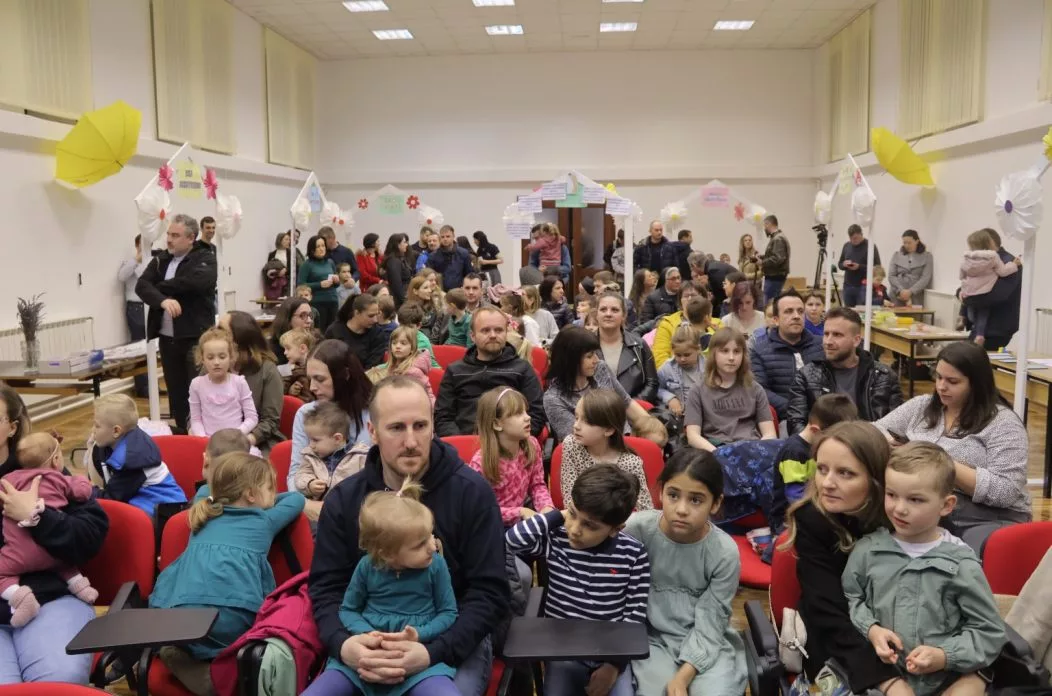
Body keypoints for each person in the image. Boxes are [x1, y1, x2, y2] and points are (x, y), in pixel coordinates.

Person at [310, 375, 509, 696]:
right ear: (373, 431)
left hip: (453, 640)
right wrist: (344, 644)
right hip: (365, 641)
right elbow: (327, 589)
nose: (412, 441)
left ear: (433, 426)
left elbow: (489, 594)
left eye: (420, 426)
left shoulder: (472, 493)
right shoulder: (344, 501)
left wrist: (432, 651)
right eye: (396, 428)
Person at [842, 442, 1005, 696]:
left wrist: (944, 655)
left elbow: (988, 631)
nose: (899, 508)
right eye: (892, 495)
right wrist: (872, 629)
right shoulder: (867, 551)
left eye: (915, 499)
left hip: (947, 680)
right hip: (882, 680)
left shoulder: (962, 565)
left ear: (947, 505)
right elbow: (852, 598)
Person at [150, 453, 305, 696]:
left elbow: (206, 490)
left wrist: (233, 491)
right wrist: (268, 501)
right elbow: (296, 499)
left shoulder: (203, 512)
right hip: (233, 617)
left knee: (188, 640)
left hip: (180, 614)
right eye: (270, 488)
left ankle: (188, 661)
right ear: (251, 494)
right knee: (247, 644)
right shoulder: (263, 520)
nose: (274, 494)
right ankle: (217, 678)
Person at [307, 475, 459, 696]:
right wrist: (367, 635)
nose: (432, 547)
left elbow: (448, 612)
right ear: (387, 554)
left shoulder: (436, 566)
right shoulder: (367, 567)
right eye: (419, 544)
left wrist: (419, 634)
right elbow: (349, 609)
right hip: (365, 656)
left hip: (418, 660)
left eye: (430, 536)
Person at [506, 465, 650, 696]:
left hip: (610, 653)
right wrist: (556, 516)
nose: (574, 530)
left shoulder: (633, 554)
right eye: (572, 514)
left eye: (589, 525)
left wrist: (614, 666)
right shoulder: (556, 538)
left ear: (615, 529)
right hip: (562, 652)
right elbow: (511, 541)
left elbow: (634, 615)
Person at [874, 341, 1031, 550]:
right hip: (927, 507)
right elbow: (874, 431)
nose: (941, 386)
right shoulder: (922, 406)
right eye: (938, 377)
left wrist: (935, 462)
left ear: (976, 383)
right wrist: (892, 445)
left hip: (986, 517)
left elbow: (1005, 490)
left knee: (961, 555)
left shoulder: (1003, 423)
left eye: (952, 381)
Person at [0, 385, 108, 685]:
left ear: (12, 427)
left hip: (51, 599)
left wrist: (37, 516)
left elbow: (89, 537)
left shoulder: (42, 470)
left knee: (58, 680)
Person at [782, 421, 901, 693]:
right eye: (822, 469)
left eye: (845, 473)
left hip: (897, 631)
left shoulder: (901, 516)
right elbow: (827, 611)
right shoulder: (812, 519)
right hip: (836, 639)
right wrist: (886, 678)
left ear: (876, 479)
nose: (827, 483)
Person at [627, 449, 746, 696]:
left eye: (696, 500)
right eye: (673, 495)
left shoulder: (724, 552)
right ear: (660, 492)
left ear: (716, 503)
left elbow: (712, 620)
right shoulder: (636, 530)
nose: (681, 509)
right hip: (651, 640)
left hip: (708, 639)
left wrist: (683, 676)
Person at [2, 433, 97, 627]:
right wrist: (85, 483)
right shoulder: (59, 479)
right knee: (64, 564)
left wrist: (33, 514)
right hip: (52, 555)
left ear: (13, 427)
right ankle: (81, 587)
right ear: (55, 460)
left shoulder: (8, 480)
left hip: (25, 565)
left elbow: (88, 532)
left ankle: (21, 598)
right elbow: (82, 490)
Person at [136, 214, 218, 433]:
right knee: (177, 392)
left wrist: (159, 287)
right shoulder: (162, 259)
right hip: (168, 338)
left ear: (191, 238)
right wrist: (162, 300)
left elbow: (194, 283)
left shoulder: (205, 257)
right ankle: (183, 434)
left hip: (195, 337)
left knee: (198, 391)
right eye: (168, 234)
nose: (169, 240)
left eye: (175, 235)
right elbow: (142, 286)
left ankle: (204, 435)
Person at [543, 326, 667, 446]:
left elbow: (626, 402)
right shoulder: (554, 399)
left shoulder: (600, 369)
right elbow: (579, 439)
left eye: (595, 353)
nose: (596, 360)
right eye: (589, 356)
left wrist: (652, 428)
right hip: (593, 453)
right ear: (571, 360)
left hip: (625, 441)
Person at [787, 307, 903, 435]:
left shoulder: (884, 376)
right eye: (826, 334)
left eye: (837, 335)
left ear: (856, 340)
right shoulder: (806, 376)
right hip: (822, 444)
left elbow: (897, 427)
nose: (828, 341)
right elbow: (796, 425)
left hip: (871, 443)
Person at [434, 307, 545, 438]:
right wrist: (464, 443)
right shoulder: (455, 371)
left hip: (511, 442)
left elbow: (536, 415)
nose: (493, 335)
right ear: (473, 336)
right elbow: (443, 418)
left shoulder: (522, 369)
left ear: (506, 333)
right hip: (465, 442)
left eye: (498, 330)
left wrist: (508, 442)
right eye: (485, 330)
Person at [288, 340, 374, 506]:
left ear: (345, 375)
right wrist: (306, 505)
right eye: (310, 379)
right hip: (316, 503)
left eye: (320, 379)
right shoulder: (307, 414)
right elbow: (295, 473)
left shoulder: (374, 413)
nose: (312, 387)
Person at [769, 393, 858, 536]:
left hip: (818, 505)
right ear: (816, 431)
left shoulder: (823, 447)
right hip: (788, 519)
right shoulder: (794, 452)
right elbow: (794, 497)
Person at [468, 387, 553, 526]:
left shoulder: (532, 445)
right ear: (497, 424)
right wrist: (519, 512)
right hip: (493, 527)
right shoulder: (480, 463)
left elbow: (537, 485)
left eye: (526, 411)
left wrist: (546, 507)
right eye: (518, 413)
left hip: (523, 522)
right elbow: (478, 510)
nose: (528, 417)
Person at [89, 394, 186, 515]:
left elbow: (112, 498)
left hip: (166, 513)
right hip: (146, 505)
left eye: (97, 426)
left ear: (116, 431)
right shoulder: (115, 444)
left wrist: (87, 490)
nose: (92, 430)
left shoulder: (131, 460)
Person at [559, 389, 654, 510]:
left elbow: (645, 509)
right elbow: (570, 500)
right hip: (579, 518)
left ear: (609, 430)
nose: (576, 426)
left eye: (586, 421)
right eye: (576, 417)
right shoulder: (572, 445)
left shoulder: (631, 464)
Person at [684, 328, 776, 452]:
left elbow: (770, 433)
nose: (731, 357)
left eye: (737, 351)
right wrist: (718, 454)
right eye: (725, 351)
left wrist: (757, 451)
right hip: (714, 450)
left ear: (743, 355)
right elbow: (693, 436)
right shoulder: (697, 391)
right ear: (713, 354)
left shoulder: (755, 389)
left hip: (751, 449)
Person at [749, 291, 823, 423]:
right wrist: (796, 410)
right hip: (784, 419)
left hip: (823, 415)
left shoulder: (822, 346)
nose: (796, 316)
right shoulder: (759, 351)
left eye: (800, 311)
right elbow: (761, 390)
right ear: (776, 320)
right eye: (789, 311)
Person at [220, 311, 284, 452]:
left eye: (222, 331)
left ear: (239, 338)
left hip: (257, 440)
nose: (215, 335)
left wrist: (245, 441)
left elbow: (270, 421)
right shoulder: (214, 365)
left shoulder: (267, 370)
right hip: (214, 437)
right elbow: (195, 412)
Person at [188, 328, 259, 439]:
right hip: (207, 441)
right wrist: (203, 438)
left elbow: (252, 418)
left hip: (235, 441)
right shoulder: (196, 384)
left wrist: (236, 434)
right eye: (210, 358)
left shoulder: (239, 382)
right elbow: (196, 420)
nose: (216, 362)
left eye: (222, 357)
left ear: (231, 357)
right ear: (202, 359)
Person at [959, 228, 1022, 350]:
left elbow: (997, 296)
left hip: (996, 328)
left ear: (990, 243)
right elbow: (967, 282)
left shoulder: (1008, 262)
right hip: (978, 324)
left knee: (975, 359)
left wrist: (966, 298)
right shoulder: (979, 260)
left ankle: (963, 318)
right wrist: (961, 293)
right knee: (966, 356)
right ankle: (963, 318)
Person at [292, 402, 368, 502]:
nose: (311, 445)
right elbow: (301, 474)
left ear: (337, 438)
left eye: (315, 440)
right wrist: (309, 483)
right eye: (310, 439)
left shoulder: (361, 456)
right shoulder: (310, 456)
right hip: (319, 507)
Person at [595, 291, 658, 403]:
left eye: (615, 310)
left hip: (634, 410)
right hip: (594, 409)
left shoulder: (639, 345)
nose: (608, 314)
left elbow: (652, 383)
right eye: (603, 309)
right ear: (596, 314)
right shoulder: (583, 345)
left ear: (624, 315)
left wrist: (631, 406)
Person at [366, 326, 435, 404]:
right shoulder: (391, 366)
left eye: (403, 343)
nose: (398, 346)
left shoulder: (413, 372)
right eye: (394, 343)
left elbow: (423, 397)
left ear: (412, 349)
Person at [118, 234, 150, 397]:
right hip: (136, 308)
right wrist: (137, 259)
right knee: (139, 347)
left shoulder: (152, 263)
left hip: (150, 307)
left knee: (151, 347)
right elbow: (122, 276)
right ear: (137, 245)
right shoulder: (129, 263)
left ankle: (151, 385)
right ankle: (142, 387)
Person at [652, 287, 716, 368]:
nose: (690, 299)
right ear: (707, 317)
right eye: (686, 296)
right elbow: (659, 357)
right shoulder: (667, 324)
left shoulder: (681, 332)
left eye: (693, 296)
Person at [325, 294, 387, 371]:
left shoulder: (378, 334)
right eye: (370, 316)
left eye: (377, 315)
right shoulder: (334, 331)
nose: (375, 320)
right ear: (356, 313)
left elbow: (373, 367)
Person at [657, 326, 704, 422]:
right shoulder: (667, 368)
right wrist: (670, 398)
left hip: (703, 416)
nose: (682, 359)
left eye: (687, 355)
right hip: (678, 418)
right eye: (678, 355)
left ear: (698, 349)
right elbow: (656, 388)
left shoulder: (709, 368)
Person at [299, 235, 340, 332]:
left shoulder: (330, 262)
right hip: (317, 303)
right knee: (319, 332)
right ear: (312, 250)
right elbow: (301, 285)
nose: (322, 249)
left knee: (332, 331)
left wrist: (337, 281)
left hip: (333, 301)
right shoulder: (307, 265)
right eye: (318, 246)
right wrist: (319, 285)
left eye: (323, 245)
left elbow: (336, 285)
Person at [838, 224, 882, 308]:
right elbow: (840, 264)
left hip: (864, 287)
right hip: (848, 286)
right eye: (851, 238)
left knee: (862, 312)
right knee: (848, 312)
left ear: (861, 234)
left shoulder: (870, 246)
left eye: (855, 238)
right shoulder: (846, 246)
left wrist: (859, 267)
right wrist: (844, 264)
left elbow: (877, 267)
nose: (853, 241)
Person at [887, 229, 934, 308]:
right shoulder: (896, 255)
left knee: (914, 315)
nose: (907, 245)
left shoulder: (927, 256)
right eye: (904, 243)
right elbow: (891, 276)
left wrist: (910, 291)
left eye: (909, 242)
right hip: (896, 294)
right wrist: (901, 290)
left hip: (916, 295)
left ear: (917, 241)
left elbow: (925, 278)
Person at [269, 297, 316, 366]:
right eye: (302, 316)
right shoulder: (273, 351)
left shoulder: (316, 342)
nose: (309, 321)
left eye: (310, 315)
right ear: (287, 319)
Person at [406, 276, 450, 345]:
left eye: (429, 287)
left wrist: (430, 344)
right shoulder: (407, 310)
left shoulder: (434, 307)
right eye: (425, 288)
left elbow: (436, 332)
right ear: (415, 291)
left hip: (431, 344)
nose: (430, 290)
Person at [428, 225, 474, 291]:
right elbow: (430, 276)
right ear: (440, 238)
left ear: (453, 236)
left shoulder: (463, 253)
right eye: (442, 237)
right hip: (440, 291)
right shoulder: (433, 256)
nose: (445, 239)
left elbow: (469, 274)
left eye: (448, 236)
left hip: (460, 291)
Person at [720, 281, 767, 345]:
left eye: (748, 302)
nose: (744, 307)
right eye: (740, 303)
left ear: (754, 300)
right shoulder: (726, 321)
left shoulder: (764, 318)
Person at [760, 215, 791, 307]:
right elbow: (776, 255)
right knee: (770, 302)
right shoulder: (777, 238)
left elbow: (778, 259)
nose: (764, 228)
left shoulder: (778, 239)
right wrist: (762, 257)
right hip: (774, 276)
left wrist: (761, 262)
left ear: (768, 224)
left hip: (774, 277)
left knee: (770, 304)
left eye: (765, 225)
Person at [397, 303, 440, 369]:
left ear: (418, 326)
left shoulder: (422, 341)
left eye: (409, 327)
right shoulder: (397, 335)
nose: (405, 330)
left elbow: (406, 363)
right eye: (401, 325)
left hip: (429, 372)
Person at [279, 328, 315, 402]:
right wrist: (290, 392)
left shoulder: (313, 368)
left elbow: (280, 392)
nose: (285, 353)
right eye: (284, 349)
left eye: (288, 349)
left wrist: (286, 371)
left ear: (302, 348)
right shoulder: (293, 365)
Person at [383, 234, 415, 307]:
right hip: (400, 300)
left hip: (405, 295)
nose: (407, 245)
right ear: (398, 245)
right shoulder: (394, 261)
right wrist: (405, 301)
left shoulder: (400, 258)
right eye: (404, 242)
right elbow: (396, 285)